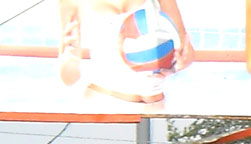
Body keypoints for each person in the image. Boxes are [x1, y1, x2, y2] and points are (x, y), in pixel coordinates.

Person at [57, 0, 194, 104]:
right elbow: (68, 78)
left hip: (155, 107)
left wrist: (176, 65)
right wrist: (72, 57)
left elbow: (186, 50)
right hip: (103, 105)